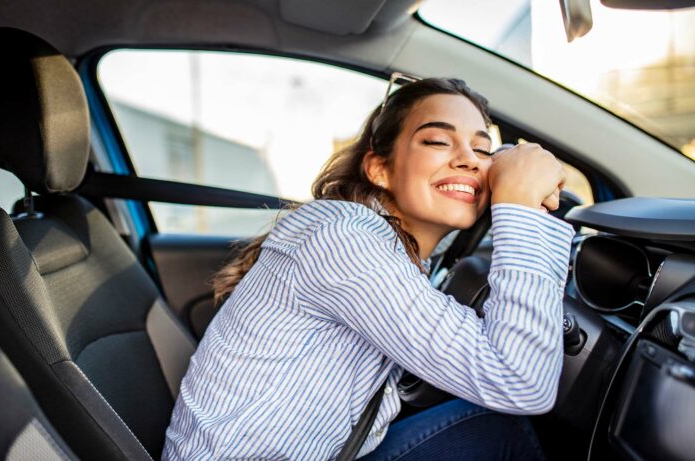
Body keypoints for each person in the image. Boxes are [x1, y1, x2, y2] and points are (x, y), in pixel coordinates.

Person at [162, 77, 574, 460]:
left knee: (493, 429)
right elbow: (521, 382)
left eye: (483, 149)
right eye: (437, 141)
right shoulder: (346, 238)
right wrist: (518, 205)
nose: (469, 160)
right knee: (501, 431)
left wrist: (515, 185)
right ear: (379, 169)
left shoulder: (393, 247)